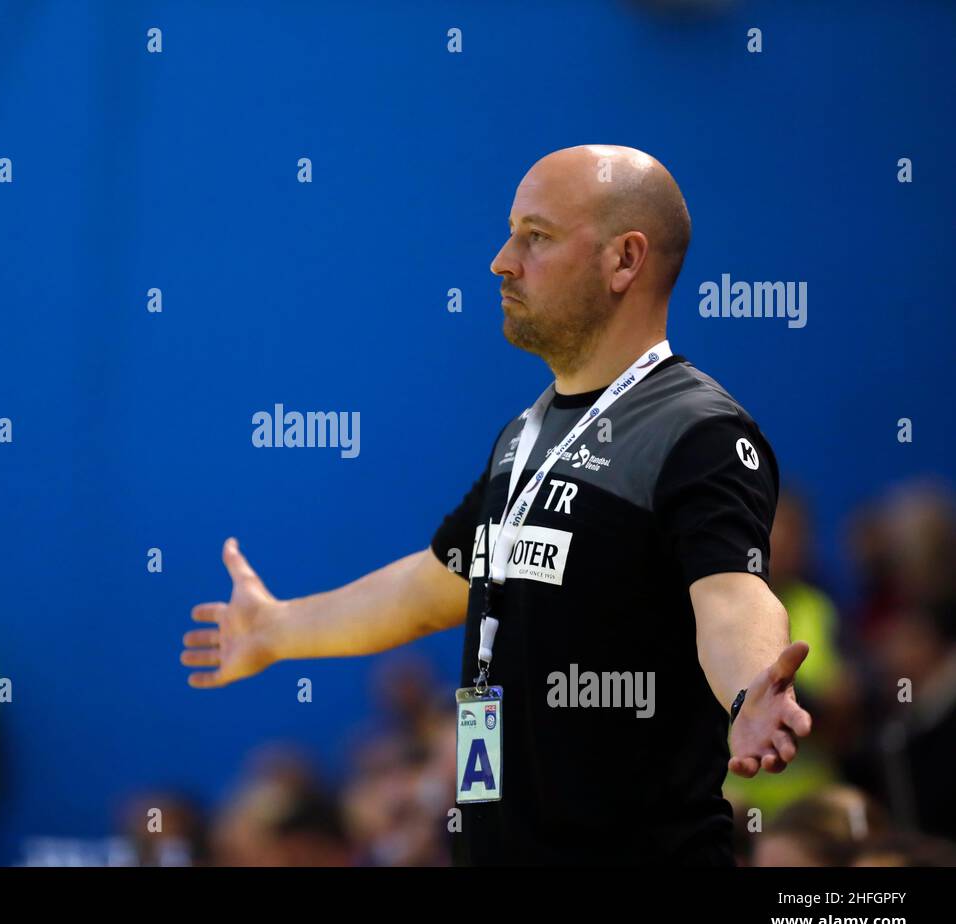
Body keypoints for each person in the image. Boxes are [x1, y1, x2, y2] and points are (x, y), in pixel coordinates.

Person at [181, 145, 812, 865]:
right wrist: (278, 629)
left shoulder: (697, 431)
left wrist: (750, 689)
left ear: (625, 260)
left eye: (535, 236)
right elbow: (430, 587)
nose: (501, 261)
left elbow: (732, 596)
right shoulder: (528, 436)